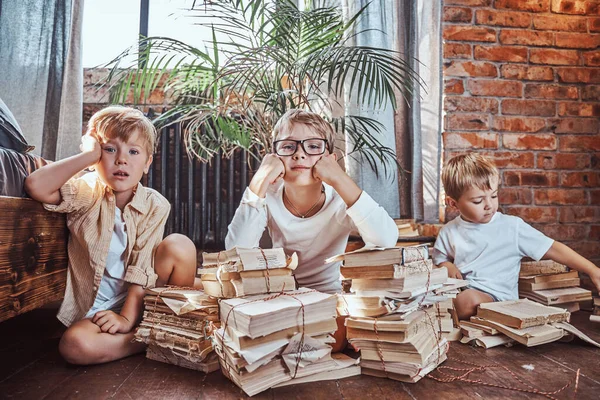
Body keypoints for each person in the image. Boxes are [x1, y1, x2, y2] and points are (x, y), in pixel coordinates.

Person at [24, 106, 196, 365]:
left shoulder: (155, 204)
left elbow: (142, 266)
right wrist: (88, 155)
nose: (121, 160)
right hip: (100, 305)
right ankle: (147, 340)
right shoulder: (85, 193)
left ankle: (168, 325)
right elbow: (36, 185)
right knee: (74, 345)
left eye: (133, 151)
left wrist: (127, 318)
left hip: (143, 298)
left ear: (147, 163)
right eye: (110, 149)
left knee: (180, 245)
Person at [225, 109, 398, 351]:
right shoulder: (268, 195)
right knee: (246, 328)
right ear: (274, 156)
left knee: (335, 335)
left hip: (327, 295)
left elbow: (386, 239)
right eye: (288, 147)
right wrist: (259, 181)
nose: (299, 155)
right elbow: (236, 251)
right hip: (279, 292)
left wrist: (339, 178)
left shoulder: (341, 198)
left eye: (314, 147)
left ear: (329, 157)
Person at [433, 153, 600, 320]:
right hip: (459, 292)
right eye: (478, 201)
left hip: (498, 299)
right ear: (453, 203)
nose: (489, 205)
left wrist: (592, 270)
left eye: (494, 196)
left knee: (465, 301)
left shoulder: (512, 227)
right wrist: (447, 265)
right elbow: (439, 259)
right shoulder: (449, 231)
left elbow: (553, 248)